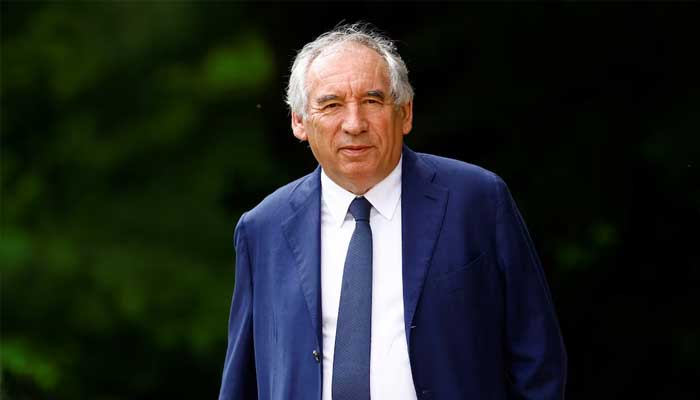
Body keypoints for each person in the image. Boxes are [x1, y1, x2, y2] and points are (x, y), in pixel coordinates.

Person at [218, 23, 566, 400]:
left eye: (372, 100)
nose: (354, 124)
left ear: (405, 113)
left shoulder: (477, 201)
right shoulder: (262, 229)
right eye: (331, 104)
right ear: (299, 121)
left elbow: (539, 361)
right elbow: (242, 381)